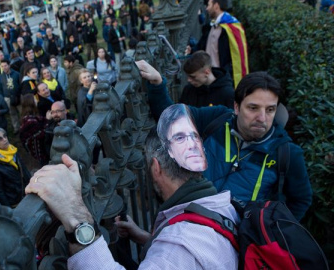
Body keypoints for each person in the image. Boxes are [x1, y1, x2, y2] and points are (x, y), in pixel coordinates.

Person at [25, 120, 238, 269]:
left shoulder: (180, 245)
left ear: (156, 167)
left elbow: (182, 256)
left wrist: (76, 215)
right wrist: (149, 239)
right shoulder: (222, 205)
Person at [139, 60, 312, 220]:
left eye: (270, 110)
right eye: (253, 108)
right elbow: (173, 120)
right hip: (193, 222)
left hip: (239, 244)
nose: (262, 118)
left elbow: (301, 200)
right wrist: (157, 84)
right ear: (236, 107)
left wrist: (271, 233)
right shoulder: (218, 119)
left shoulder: (286, 153)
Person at [186, 0, 248, 87]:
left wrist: (225, 76)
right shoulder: (212, 25)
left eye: (208, 5)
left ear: (216, 6)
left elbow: (233, 58)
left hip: (221, 79)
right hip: (207, 77)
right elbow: (204, 46)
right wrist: (191, 50)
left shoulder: (230, 27)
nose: (206, 9)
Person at [0, 127, 30, 207]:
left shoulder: (13, 152)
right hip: (14, 203)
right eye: (0, 139)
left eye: (5, 136)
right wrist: (8, 210)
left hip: (27, 195)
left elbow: (25, 172)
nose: (5, 139)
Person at [19, 94, 49, 166]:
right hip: (38, 153)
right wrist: (48, 120)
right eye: (35, 99)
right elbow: (41, 133)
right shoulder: (30, 121)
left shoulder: (31, 117)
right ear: (31, 102)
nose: (36, 100)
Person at [0, 60, 21, 134]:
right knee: (12, 114)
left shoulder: (16, 74)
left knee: (22, 112)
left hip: (17, 96)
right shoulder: (0, 77)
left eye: (5, 65)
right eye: (2, 66)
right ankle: (16, 128)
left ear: (9, 65)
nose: (4, 67)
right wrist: (3, 98)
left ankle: (24, 125)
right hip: (8, 98)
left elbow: (20, 85)